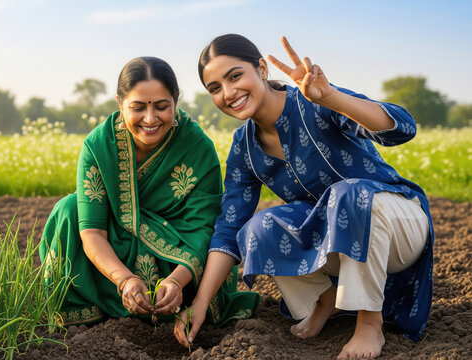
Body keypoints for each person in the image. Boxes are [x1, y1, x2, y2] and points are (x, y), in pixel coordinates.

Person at [174, 34, 433, 360]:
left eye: (235, 76)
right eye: (215, 88)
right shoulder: (245, 147)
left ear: (262, 69)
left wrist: (331, 98)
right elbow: (228, 229)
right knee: (258, 226)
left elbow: (402, 128)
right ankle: (324, 299)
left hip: (398, 226)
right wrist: (199, 304)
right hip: (338, 243)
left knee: (348, 194)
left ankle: (369, 324)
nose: (228, 93)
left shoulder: (314, 101)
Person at [40, 56, 259, 328]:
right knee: (68, 209)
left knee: (205, 246)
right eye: (138, 107)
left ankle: (172, 303)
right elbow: (92, 231)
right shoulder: (99, 145)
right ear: (120, 103)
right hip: (114, 259)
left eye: (161, 106)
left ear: (176, 100)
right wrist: (126, 280)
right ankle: (97, 304)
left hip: (176, 262)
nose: (150, 118)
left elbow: (204, 230)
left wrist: (177, 281)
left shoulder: (197, 147)